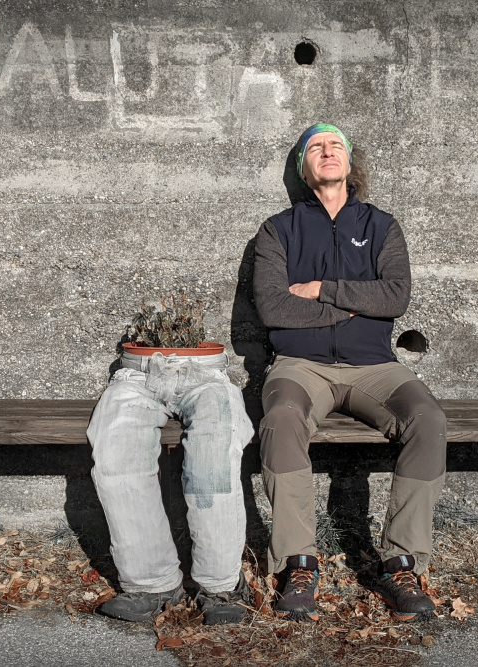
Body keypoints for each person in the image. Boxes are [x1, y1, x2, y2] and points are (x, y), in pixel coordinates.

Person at [253, 123, 447, 622]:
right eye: (315, 147)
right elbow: (273, 309)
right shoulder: (278, 230)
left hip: (375, 367)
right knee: (281, 417)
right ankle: (298, 562)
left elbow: (396, 297)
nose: (326, 151)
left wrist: (320, 289)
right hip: (300, 366)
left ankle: (402, 562)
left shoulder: (383, 226)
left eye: (335, 144)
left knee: (427, 419)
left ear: (350, 160)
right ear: (304, 167)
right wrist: (360, 304)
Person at [86, 345, 254, 624]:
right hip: (139, 373)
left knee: (211, 463)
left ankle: (221, 585)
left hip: (205, 373)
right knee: (116, 455)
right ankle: (152, 583)